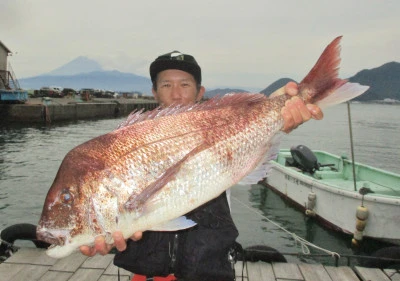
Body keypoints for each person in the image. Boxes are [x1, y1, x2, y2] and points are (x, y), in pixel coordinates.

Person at [80, 51, 323, 280]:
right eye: (166, 85)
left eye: (185, 84)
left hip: (209, 271)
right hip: (147, 272)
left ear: (200, 92)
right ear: (154, 92)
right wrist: (100, 231)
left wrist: (283, 107)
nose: (176, 94)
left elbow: (249, 120)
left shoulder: (220, 126)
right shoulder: (129, 141)